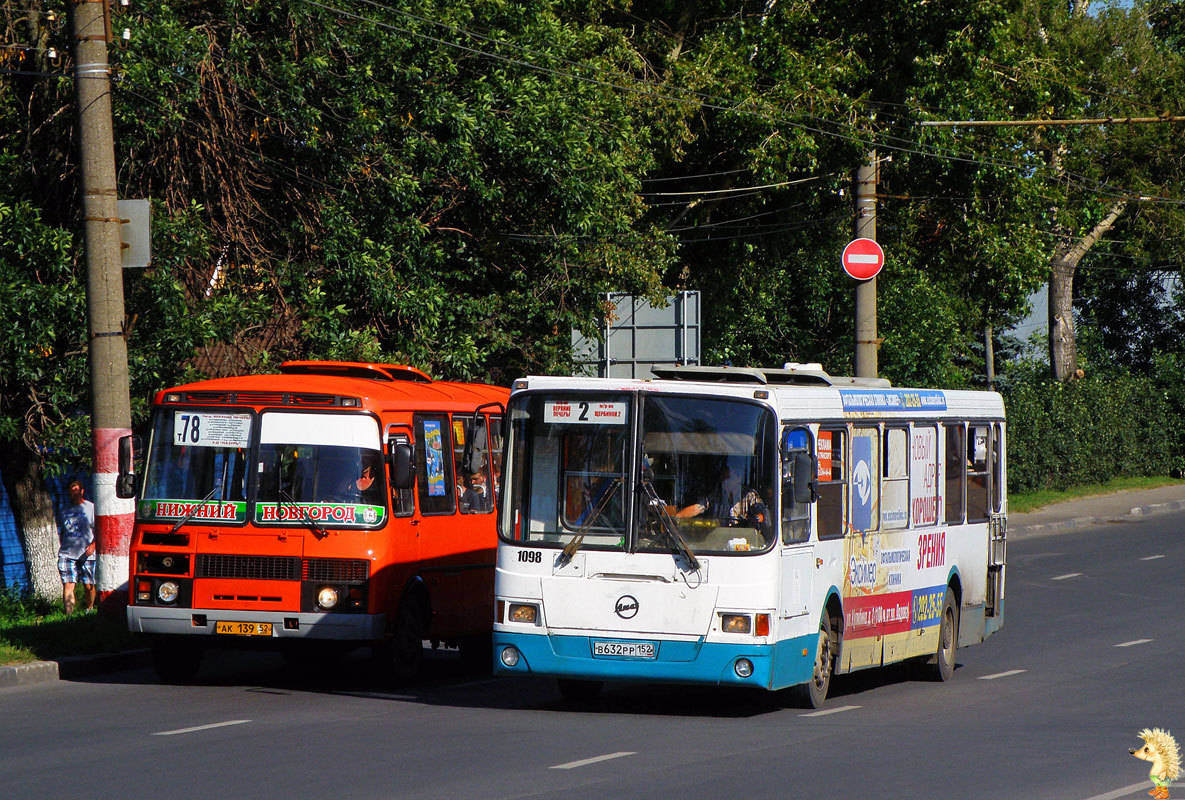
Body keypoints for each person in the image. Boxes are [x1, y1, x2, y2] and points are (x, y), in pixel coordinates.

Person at [58, 479, 96, 615]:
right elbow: (62, 530)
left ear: (82, 491)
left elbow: (99, 530)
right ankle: (68, 615)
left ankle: (90, 609)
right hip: (67, 553)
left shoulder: (91, 508)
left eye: (76, 490)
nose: (73, 493)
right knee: (68, 584)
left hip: (86, 553)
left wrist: (93, 545)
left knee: (88, 584)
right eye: (71, 490)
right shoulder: (64, 510)